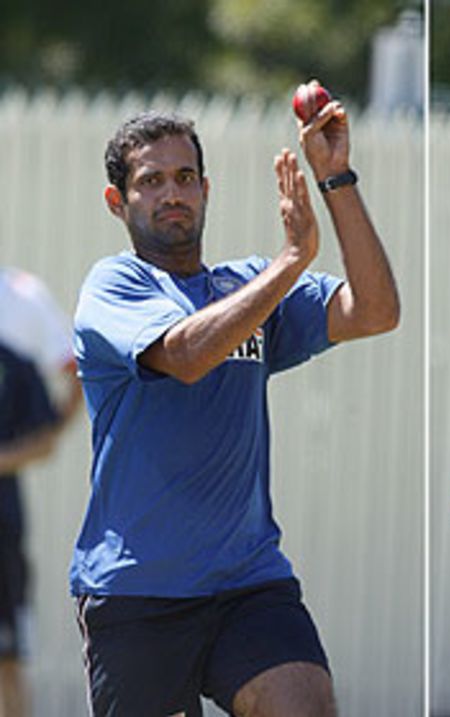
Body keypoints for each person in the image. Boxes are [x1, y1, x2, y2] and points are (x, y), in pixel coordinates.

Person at [71, 89, 399, 716]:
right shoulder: (114, 285)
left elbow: (377, 310)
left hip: (248, 582)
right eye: (152, 180)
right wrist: (292, 261)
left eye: (186, 177)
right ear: (118, 201)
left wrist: (335, 178)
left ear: (206, 189)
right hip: (140, 591)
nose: (173, 193)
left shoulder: (245, 285)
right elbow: (189, 355)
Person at [0, 268, 81, 717]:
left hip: (2, 528)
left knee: (7, 660)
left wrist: (21, 451)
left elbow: (76, 372)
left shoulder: (21, 301)